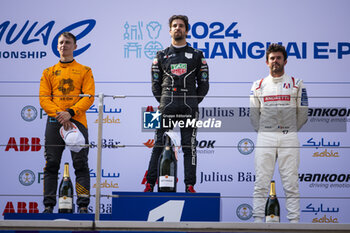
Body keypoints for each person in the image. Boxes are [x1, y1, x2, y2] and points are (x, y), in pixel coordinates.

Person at [144, 15, 209, 193]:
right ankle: (150, 184)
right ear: (170, 30)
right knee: (159, 144)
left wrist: (193, 101)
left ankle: (190, 185)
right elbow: (155, 85)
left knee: (190, 146)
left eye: (181, 26)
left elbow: (204, 84)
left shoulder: (197, 55)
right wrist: (164, 100)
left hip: (189, 107)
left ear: (187, 30)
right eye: (174, 26)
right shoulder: (161, 55)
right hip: (167, 105)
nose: (177, 28)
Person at [250, 44, 308, 223]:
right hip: (265, 137)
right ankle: (258, 221)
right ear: (267, 62)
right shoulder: (258, 85)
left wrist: (289, 130)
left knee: (291, 183)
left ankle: (294, 222)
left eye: (278, 58)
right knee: (261, 182)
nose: (275, 61)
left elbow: (303, 113)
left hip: (288, 136)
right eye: (272, 58)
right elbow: (253, 116)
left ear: (285, 61)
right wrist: (266, 132)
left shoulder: (297, 83)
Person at [39, 32, 95, 213]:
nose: (64, 45)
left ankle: (83, 205)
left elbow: (89, 97)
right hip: (55, 122)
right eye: (61, 43)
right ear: (57, 47)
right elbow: (44, 98)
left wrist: (70, 113)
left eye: (68, 42)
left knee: (81, 164)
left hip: (77, 121)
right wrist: (60, 115)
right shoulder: (47, 72)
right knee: (51, 164)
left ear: (75, 46)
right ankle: (48, 205)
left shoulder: (85, 70)